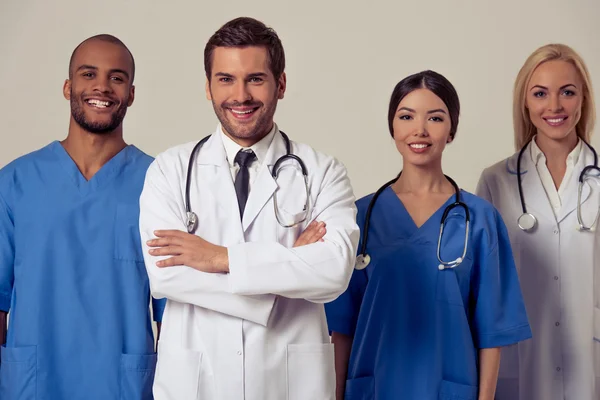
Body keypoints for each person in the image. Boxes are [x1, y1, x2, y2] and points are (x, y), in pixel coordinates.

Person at [139, 17, 359, 400]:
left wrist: (220, 258)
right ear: (208, 87)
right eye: (225, 79)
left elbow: (333, 271)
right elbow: (166, 278)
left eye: (255, 79)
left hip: (289, 383)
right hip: (197, 382)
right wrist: (288, 268)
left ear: (281, 84)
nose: (240, 96)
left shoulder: (323, 171)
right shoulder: (170, 170)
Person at [324, 70, 532, 400]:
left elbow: (492, 331)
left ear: (451, 130)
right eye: (406, 116)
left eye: (435, 118)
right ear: (393, 127)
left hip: (449, 387)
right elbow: (341, 328)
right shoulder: (359, 218)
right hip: (374, 386)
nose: (419, 130)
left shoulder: (479, 220)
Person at [0, 34, 165, 399]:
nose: (101, 87)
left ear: (131, 94)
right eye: (88, 74)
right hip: (34, 382)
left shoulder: (159, 184)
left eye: (116, 77)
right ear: (68, 86)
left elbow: (173, 314)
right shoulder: (14, 183)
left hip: (121, 384)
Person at [476, 43, 599, 400]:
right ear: (525, 103)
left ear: (583, 99)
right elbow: (486, 287)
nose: (555, 106)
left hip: (590, 357)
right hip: (523, 358)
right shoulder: (496, 180)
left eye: (567, 92)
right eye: (540, 93)